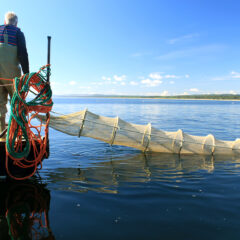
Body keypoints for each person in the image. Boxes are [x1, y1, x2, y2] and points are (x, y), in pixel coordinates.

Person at [0, 12, 29, 132]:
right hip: (13, 77)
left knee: (0, 104)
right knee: (17, 103)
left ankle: (1, 131)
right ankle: (17, 133)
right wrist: (27, 74)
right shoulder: (18, 33)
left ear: (5, 21)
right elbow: (23, 54)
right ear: (16, 23)